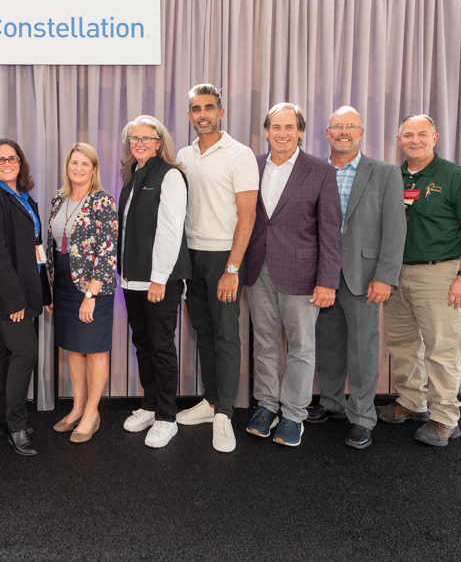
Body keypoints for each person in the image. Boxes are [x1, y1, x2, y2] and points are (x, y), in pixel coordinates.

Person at [379, 114, 461, 447]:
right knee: (403, 345)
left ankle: (445, 418)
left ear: (435, 138)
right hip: (395, 274)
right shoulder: (391, 177)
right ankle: (413, 402)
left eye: (422, 134)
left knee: (442, 349)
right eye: (408, 135)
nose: (415, 140)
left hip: (441, 273)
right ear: (399, 140)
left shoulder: (458, 177)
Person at [243, 102, 342, 447]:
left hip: (303, 275)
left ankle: (295, 414)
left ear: (300, 131)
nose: (282, 133)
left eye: (289, 127)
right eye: (275, 127)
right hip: (258, 271)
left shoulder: (320, 171)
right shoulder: (251, 166)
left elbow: (330, 232)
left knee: (301, 348)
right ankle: (266, 406)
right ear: (266, 131)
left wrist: (328, 281)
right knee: (264, 344)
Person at [307, 106, 406, 450]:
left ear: (361, 132)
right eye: (337, 127)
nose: (344, 132)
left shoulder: (385, 172)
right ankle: (332, 403)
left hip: (365, 278)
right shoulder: (313, 170)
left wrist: (385, 277)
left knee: (363, 351)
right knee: (328, 346)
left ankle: (362, 416)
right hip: (320, 276)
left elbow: (395, 230)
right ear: (327, 132)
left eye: (351, 126)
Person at [174, 85, 258, 453]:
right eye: (196, 109)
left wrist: (233, 267)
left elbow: (248, 215)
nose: (202, 114)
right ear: (190, 114)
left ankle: (225, 413)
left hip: (224, 256)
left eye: (209, 108)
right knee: (203, 332)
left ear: (221, 112)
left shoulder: (239, 155)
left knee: (226, 334)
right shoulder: (183, 154)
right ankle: (209, 403)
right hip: (189, 257)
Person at [117, 116, 191, 449]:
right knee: (143, 345)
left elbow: (170, 231)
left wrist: (159, 278)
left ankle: (166, 416)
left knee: (161, 347)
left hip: (160, 281)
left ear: (159, 142)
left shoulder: (170, 175)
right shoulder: (131, 178)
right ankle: (149, 404)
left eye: (147, 138)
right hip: (132, 281)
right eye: (134, 138)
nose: (140, 143)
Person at [0, 139, 51, 457]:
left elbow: (37, 250)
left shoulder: (24, 198)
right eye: (0, 159)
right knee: (25, 354)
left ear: (20, 162)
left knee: (6, 352)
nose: (7, 163)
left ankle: (0, 414)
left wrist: (44, 291)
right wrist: (14, 300)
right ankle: (16, 426)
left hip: (27, 290)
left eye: (12, 158)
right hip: (9, 295)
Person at [46, 143, 118, 444]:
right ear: (67, 166)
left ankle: (92, 413)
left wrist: (92, 294)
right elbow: (50, 246)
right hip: (62, 283)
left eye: (84, 163)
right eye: (73, 162)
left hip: (92, 286)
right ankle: (76, 408)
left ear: (94, 168)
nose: (78, 168)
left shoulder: (102, 201)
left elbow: (107, 250)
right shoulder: (58, 199)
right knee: (73, 348)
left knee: (95, 349)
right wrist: (48, 287)